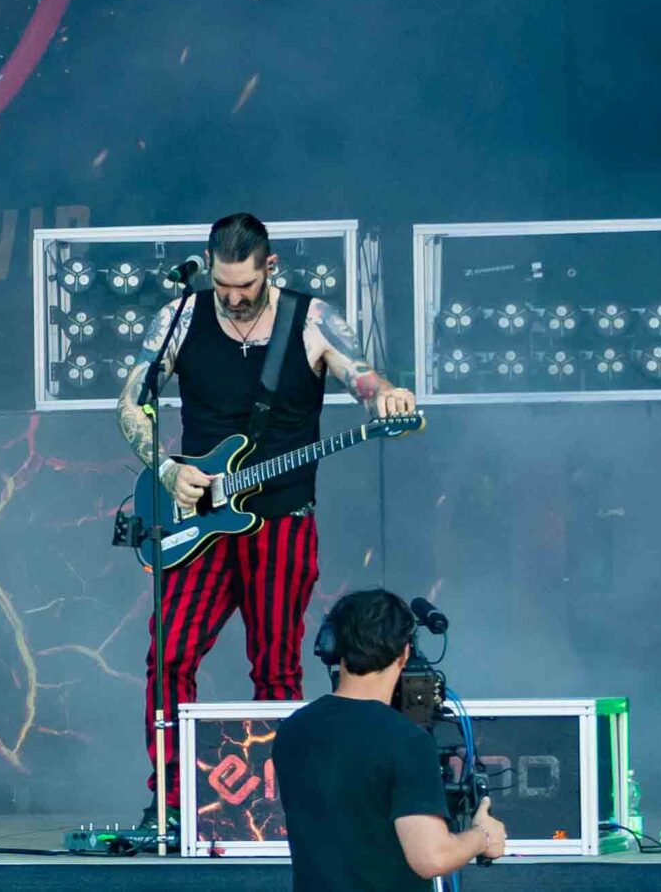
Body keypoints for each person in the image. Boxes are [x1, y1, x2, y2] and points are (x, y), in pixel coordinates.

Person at [115, 212, 419, 824]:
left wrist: (387, 395)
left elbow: (362, 378)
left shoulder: (311, 320)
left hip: (281, 521)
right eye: (222, 286)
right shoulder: (180, 317)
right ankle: (170, 799)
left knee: (277, 667)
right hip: (197, 519)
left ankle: (276, 804)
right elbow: (131, 403)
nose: (232, 299)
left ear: (270, 267)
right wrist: (167, 470)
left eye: (245, 287)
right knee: (169, 655)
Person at [274, 590, 507, 892]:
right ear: (404, 653)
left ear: (333, 646)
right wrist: (482, 836)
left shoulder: (293, 729)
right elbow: (432, 858)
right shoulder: (407, 740)